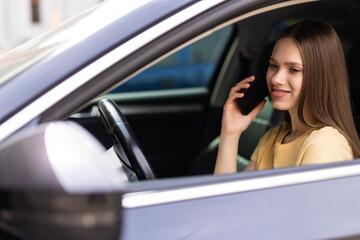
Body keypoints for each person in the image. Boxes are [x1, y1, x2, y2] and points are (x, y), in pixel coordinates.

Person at [214, 20, 360, 174]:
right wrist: (230, 133)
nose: (276, 78)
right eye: (274, 66)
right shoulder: (274, 136)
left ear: (320, 77)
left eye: (294, 69)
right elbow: (231, 197)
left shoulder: (324, 146)